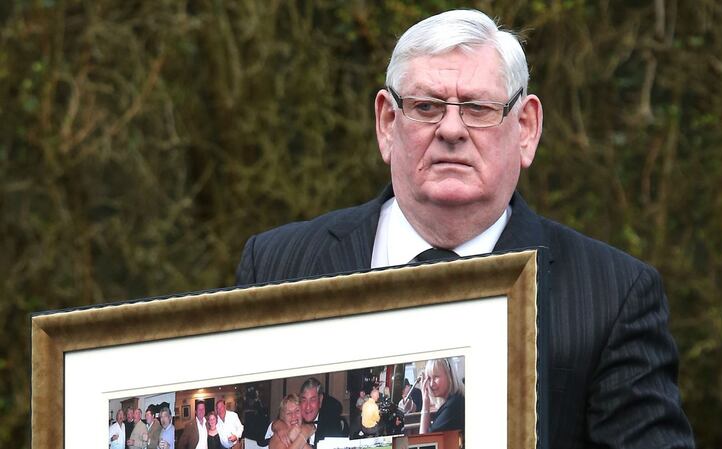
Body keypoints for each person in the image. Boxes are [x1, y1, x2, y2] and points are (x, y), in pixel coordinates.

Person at [235, 8, 694, 449]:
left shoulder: (613, 295)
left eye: (477, 107)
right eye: (427, 105)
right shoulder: (277, 265)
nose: (451, 129)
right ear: (387, 124)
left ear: (527, 129)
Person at [268, 378, 347, 449]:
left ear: (320, 400)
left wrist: (302, 436)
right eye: (304, 400)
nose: (307, 407)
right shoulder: (284, 429)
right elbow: (277, 421)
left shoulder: (332, 424)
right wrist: (278, 425)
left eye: (312, 400)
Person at [419, 358, 464, 434]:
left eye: (436, 377)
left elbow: (424, 441)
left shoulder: (452, 407)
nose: (431, 384)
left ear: (449, 376)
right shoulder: (456, 399)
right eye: (429, 378)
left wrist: (425, 405)